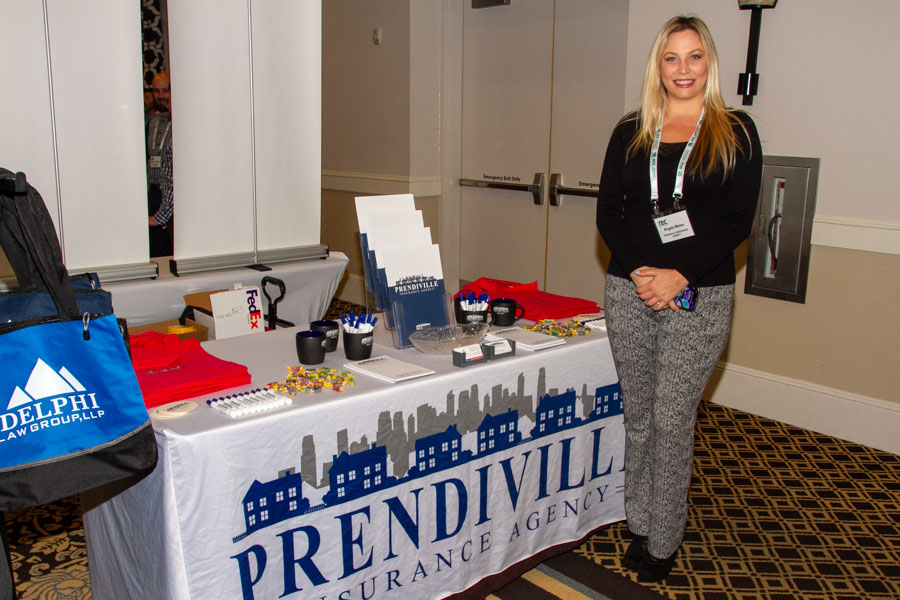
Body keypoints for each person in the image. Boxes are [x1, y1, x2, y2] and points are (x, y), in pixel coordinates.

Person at [596, 15, 762, 583]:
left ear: (708, 63)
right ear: (658, 66)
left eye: (694, 56)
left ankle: (663, 540)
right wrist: (644, 274)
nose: (683, 69)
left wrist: (678, 275)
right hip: (629, 289)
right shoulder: (630, 130)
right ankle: (640, 520)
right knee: (639, 414)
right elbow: (609, 212)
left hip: (700, 294)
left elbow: (738, 220)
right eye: (672, 57)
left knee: (671, 417)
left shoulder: (735, 131)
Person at [146, 72, 172, 256]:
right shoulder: (151, 121)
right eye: (156, 91)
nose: (161, 95)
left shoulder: (179, 123)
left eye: (165, 90)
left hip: (170, 195)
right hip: (153, 192)